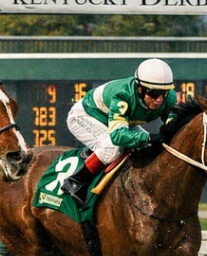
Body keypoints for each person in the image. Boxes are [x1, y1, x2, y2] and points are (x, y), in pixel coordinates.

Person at [61, 58, 179, 205]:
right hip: (86, 116)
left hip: (123, 120)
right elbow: (118, 136)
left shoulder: (169, 98)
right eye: (154, 93)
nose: (159, 100)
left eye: (164, 93)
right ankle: (75, 181)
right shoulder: (123, 96)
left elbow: (174, 121)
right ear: (140, 89)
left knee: (147, 147)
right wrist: (149, 137)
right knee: (112, 148)